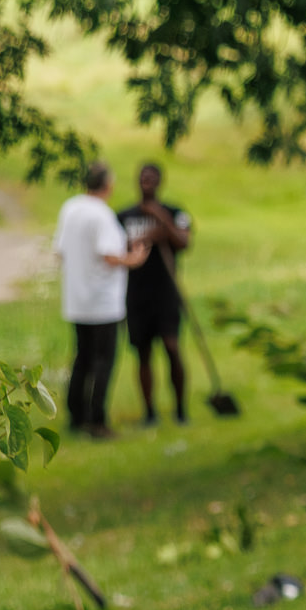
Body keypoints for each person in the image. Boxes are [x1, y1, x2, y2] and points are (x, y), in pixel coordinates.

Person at [50, 159, 138, 438]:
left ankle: (75, 414)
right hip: (103, 302)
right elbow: (109, 254)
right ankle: (97, 419)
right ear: (108, 185)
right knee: (103, 361)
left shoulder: (70, 208)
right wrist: (133, 259)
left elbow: (60, 250)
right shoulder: (101, 215)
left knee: (82, 358)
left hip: (77, 299)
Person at [121, 161, 196, 426]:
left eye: (152, 177)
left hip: (167, 292)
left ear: (160, 181)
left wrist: (159, 218)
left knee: (172, 347)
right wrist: (146, 238)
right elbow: (117, 250)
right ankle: (149, 412)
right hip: (137, 293)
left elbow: (184, 242)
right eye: (143, 177)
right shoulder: (124, 216)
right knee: (143, 353)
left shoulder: (175, 212)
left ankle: (180, 410)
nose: (147, 181)